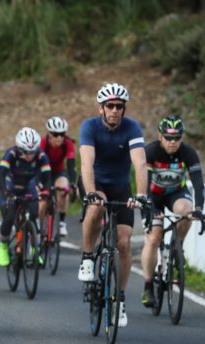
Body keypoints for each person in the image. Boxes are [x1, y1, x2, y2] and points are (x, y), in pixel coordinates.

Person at [78, 82, 148, 327]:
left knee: (124, 243)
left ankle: (119, 298)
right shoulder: (89, 127)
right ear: (101, 108)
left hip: (120, 186)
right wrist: (90, 192)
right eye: (110, 106)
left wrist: (140, 194)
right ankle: (87, 257)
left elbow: (140, 164)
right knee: (97, 205)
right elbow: (86, 164)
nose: (115, 110)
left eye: (119, 106)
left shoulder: (132, 128)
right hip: (94, 181)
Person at [140, 115, 205, 307]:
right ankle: (148, 286)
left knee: (187, 211)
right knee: (154, 238)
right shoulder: (150, 151)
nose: (173, 142)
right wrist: (151, 209)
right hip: (153, 196)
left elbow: (198, 182)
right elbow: (144, 185)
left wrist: (199, 209)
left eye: (177, 138)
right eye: (168, 138)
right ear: (160, 137)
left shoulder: (188, 153)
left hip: (176, 193)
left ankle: (178, 246)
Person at [0, 127, 51, 268]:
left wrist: (46, 190)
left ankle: (34, 249)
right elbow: (1, 175)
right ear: (20, 148)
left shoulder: (41, 155)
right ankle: (3, 246)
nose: (29, 155)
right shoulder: (11, 153)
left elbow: (47, 177)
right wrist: (6, 193)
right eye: (26, 152)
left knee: (34, 214)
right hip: (10, 186)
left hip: (27, 187)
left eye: (32, 152)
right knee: (9, 216)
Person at [39, 116, 76, 236]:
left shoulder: (68, 143)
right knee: (43, 200)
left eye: (62, 134)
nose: (59, 137)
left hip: (59, 172)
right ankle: (38, 226)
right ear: (49, 134)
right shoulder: (43, 143)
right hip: (44, 172)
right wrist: (40, 183)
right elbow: (38, 164)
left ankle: (61, 222)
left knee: (63, 189)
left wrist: (73, 183)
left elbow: (71, 165)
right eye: (55, 134)